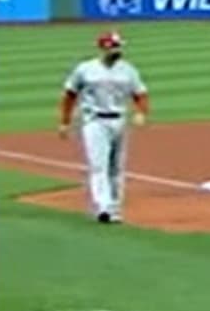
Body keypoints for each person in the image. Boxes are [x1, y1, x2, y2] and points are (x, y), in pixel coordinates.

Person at [58, 33, 151, 224]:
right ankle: (103, 207)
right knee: (98, 165)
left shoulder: (128, 70)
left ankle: (115, 208)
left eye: (119, 46)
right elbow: (69, 94)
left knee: (116, 167)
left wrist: (141, 112)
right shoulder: (85, 69)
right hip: (94, 122)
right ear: (104, 48)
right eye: (115, 47)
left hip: (119, 121)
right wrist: (65, 122)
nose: (118, 50)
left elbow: (140, 93)